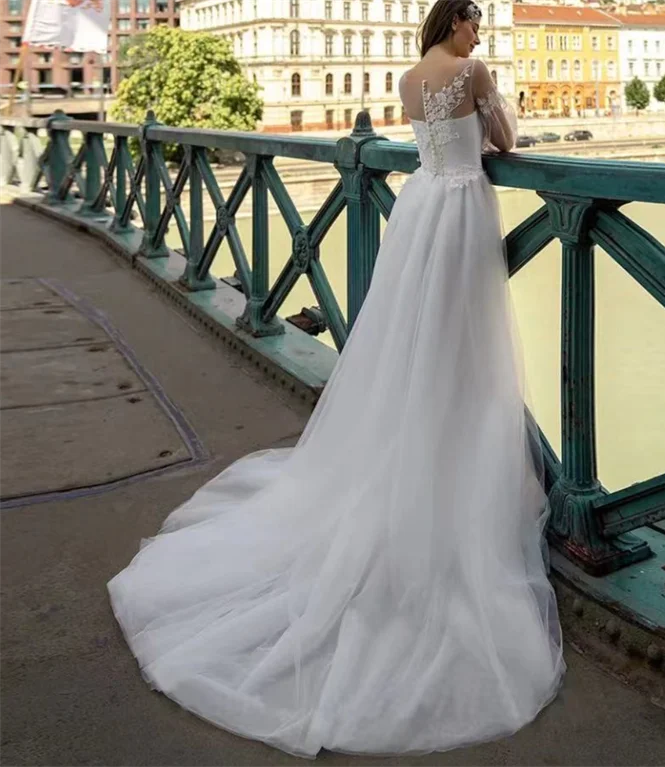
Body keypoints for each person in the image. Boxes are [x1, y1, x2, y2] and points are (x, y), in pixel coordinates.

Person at [108, 0, 565, 758]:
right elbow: (503, 141)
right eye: (474, 21)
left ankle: (410, 455)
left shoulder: (410, 76)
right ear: (453, 22)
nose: (480, 33)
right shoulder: (474, 70)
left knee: (412, 342)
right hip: (460, 212)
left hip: (422, 207)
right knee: (464, 346)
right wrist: (501, 112)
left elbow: (430, 142)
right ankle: (452, 472)